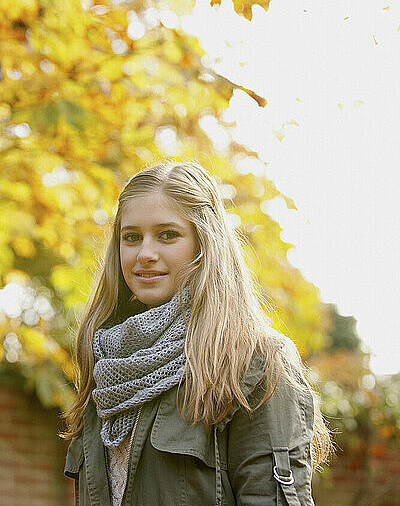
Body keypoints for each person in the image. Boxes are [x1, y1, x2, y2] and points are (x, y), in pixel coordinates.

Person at [62, 160, 332, 506]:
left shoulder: (254, 362)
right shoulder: (107, 368)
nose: (145, 253)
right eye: (131, 237)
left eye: (167, 235)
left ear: (205, 244)